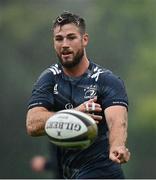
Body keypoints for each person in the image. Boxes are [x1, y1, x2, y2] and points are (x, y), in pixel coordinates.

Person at [26, 11, 130, 179]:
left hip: (102, 173)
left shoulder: (106, 80)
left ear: (85, 39)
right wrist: (74, 114)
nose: (64, 44)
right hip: (68, 173)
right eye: (59, 39)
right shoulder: (48, 78)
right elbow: (32, 124)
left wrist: (117, 146)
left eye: (71, 37)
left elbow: (117, 121)